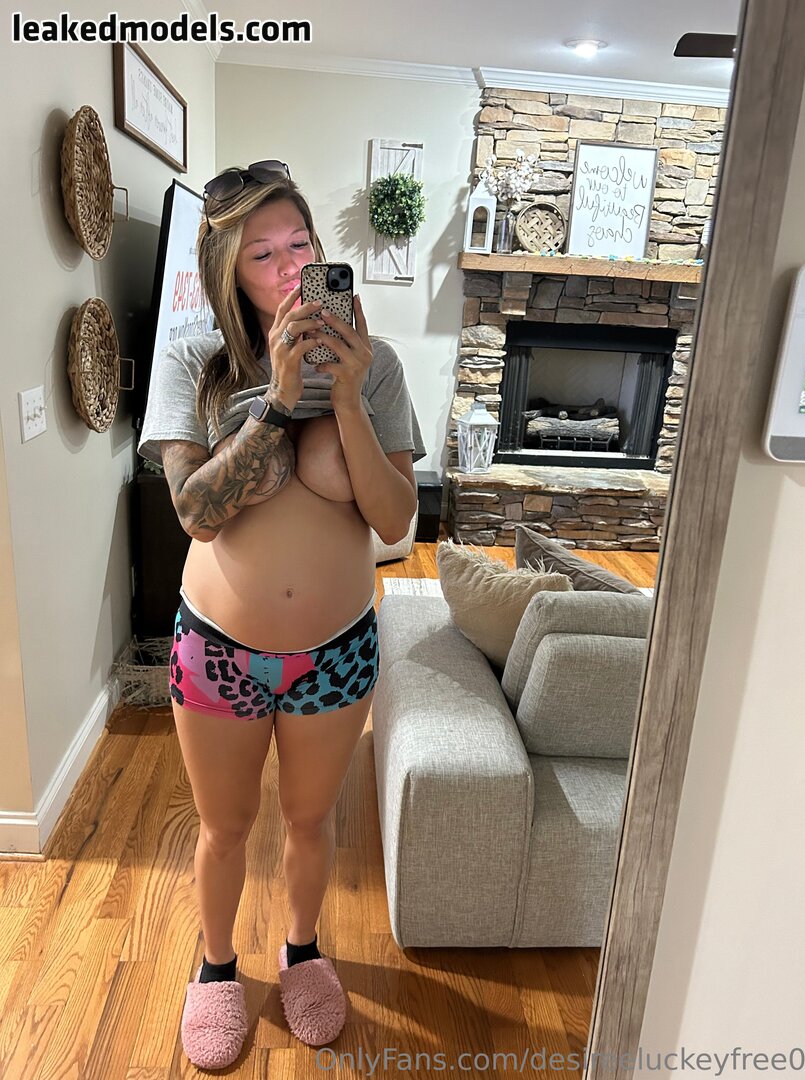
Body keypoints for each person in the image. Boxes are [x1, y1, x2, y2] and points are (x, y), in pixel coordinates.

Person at [137, 160, 426, 1070]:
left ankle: (302, 951)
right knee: (223, 828)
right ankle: (216, 967)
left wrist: (344, 396)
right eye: (262, 253)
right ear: (228, 270)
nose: (289, 266)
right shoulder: (194, 365)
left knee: (310, 819)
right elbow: (196, 512)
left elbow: (395, 519)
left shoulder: (377, 368)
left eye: (300, 243)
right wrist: (276, 398)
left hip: (336, 652)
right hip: (218, 649)